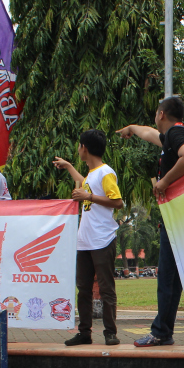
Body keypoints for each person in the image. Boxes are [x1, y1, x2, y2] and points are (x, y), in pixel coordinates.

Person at [117, 96, 184, 349]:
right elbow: (149, 133)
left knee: (173, 278)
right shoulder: (174, 137)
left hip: (183, 219)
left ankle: (165, 333)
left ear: (161, 114)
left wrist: (163, 182)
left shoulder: (177, 134)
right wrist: (131, 129)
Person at [53, 129, 124, 346]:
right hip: (84, 241)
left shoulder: (105, 173)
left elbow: (118, 202)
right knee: (83, 288)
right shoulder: (92, 174)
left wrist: (89, 196)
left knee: (106, 288)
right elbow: (84, 183)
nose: (78, 149)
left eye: (79, 146)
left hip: (102, 239)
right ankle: (84, 332)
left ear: (84, 148)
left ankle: (110, 333)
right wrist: (69, 167)